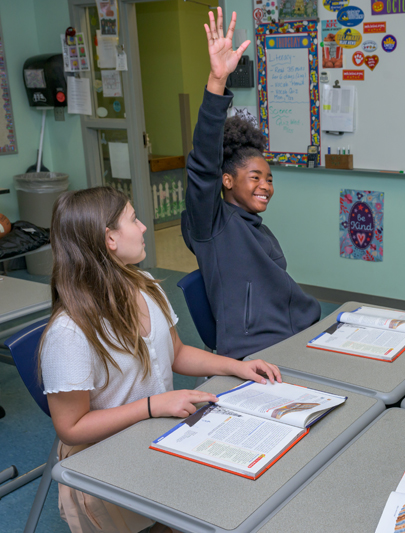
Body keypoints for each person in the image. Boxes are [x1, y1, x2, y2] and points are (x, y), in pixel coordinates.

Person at [40, 187, 281, 533]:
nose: (142, 228)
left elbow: (177, 353)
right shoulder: (69, 332)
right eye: (133, 219)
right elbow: (71, 427)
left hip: (156, 438)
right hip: (105, 463)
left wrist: (236, 366)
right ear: (109, 238)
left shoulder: (145, 285)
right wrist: (153, 406)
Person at [181, 8, 321, 359]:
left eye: (269, 179)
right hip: (256, 352)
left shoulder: (254, 226)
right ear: (226, 180)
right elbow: (202, 166)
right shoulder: (211, 224)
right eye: (255, 177)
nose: (266, 186)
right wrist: (217, 83)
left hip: (297, 334)